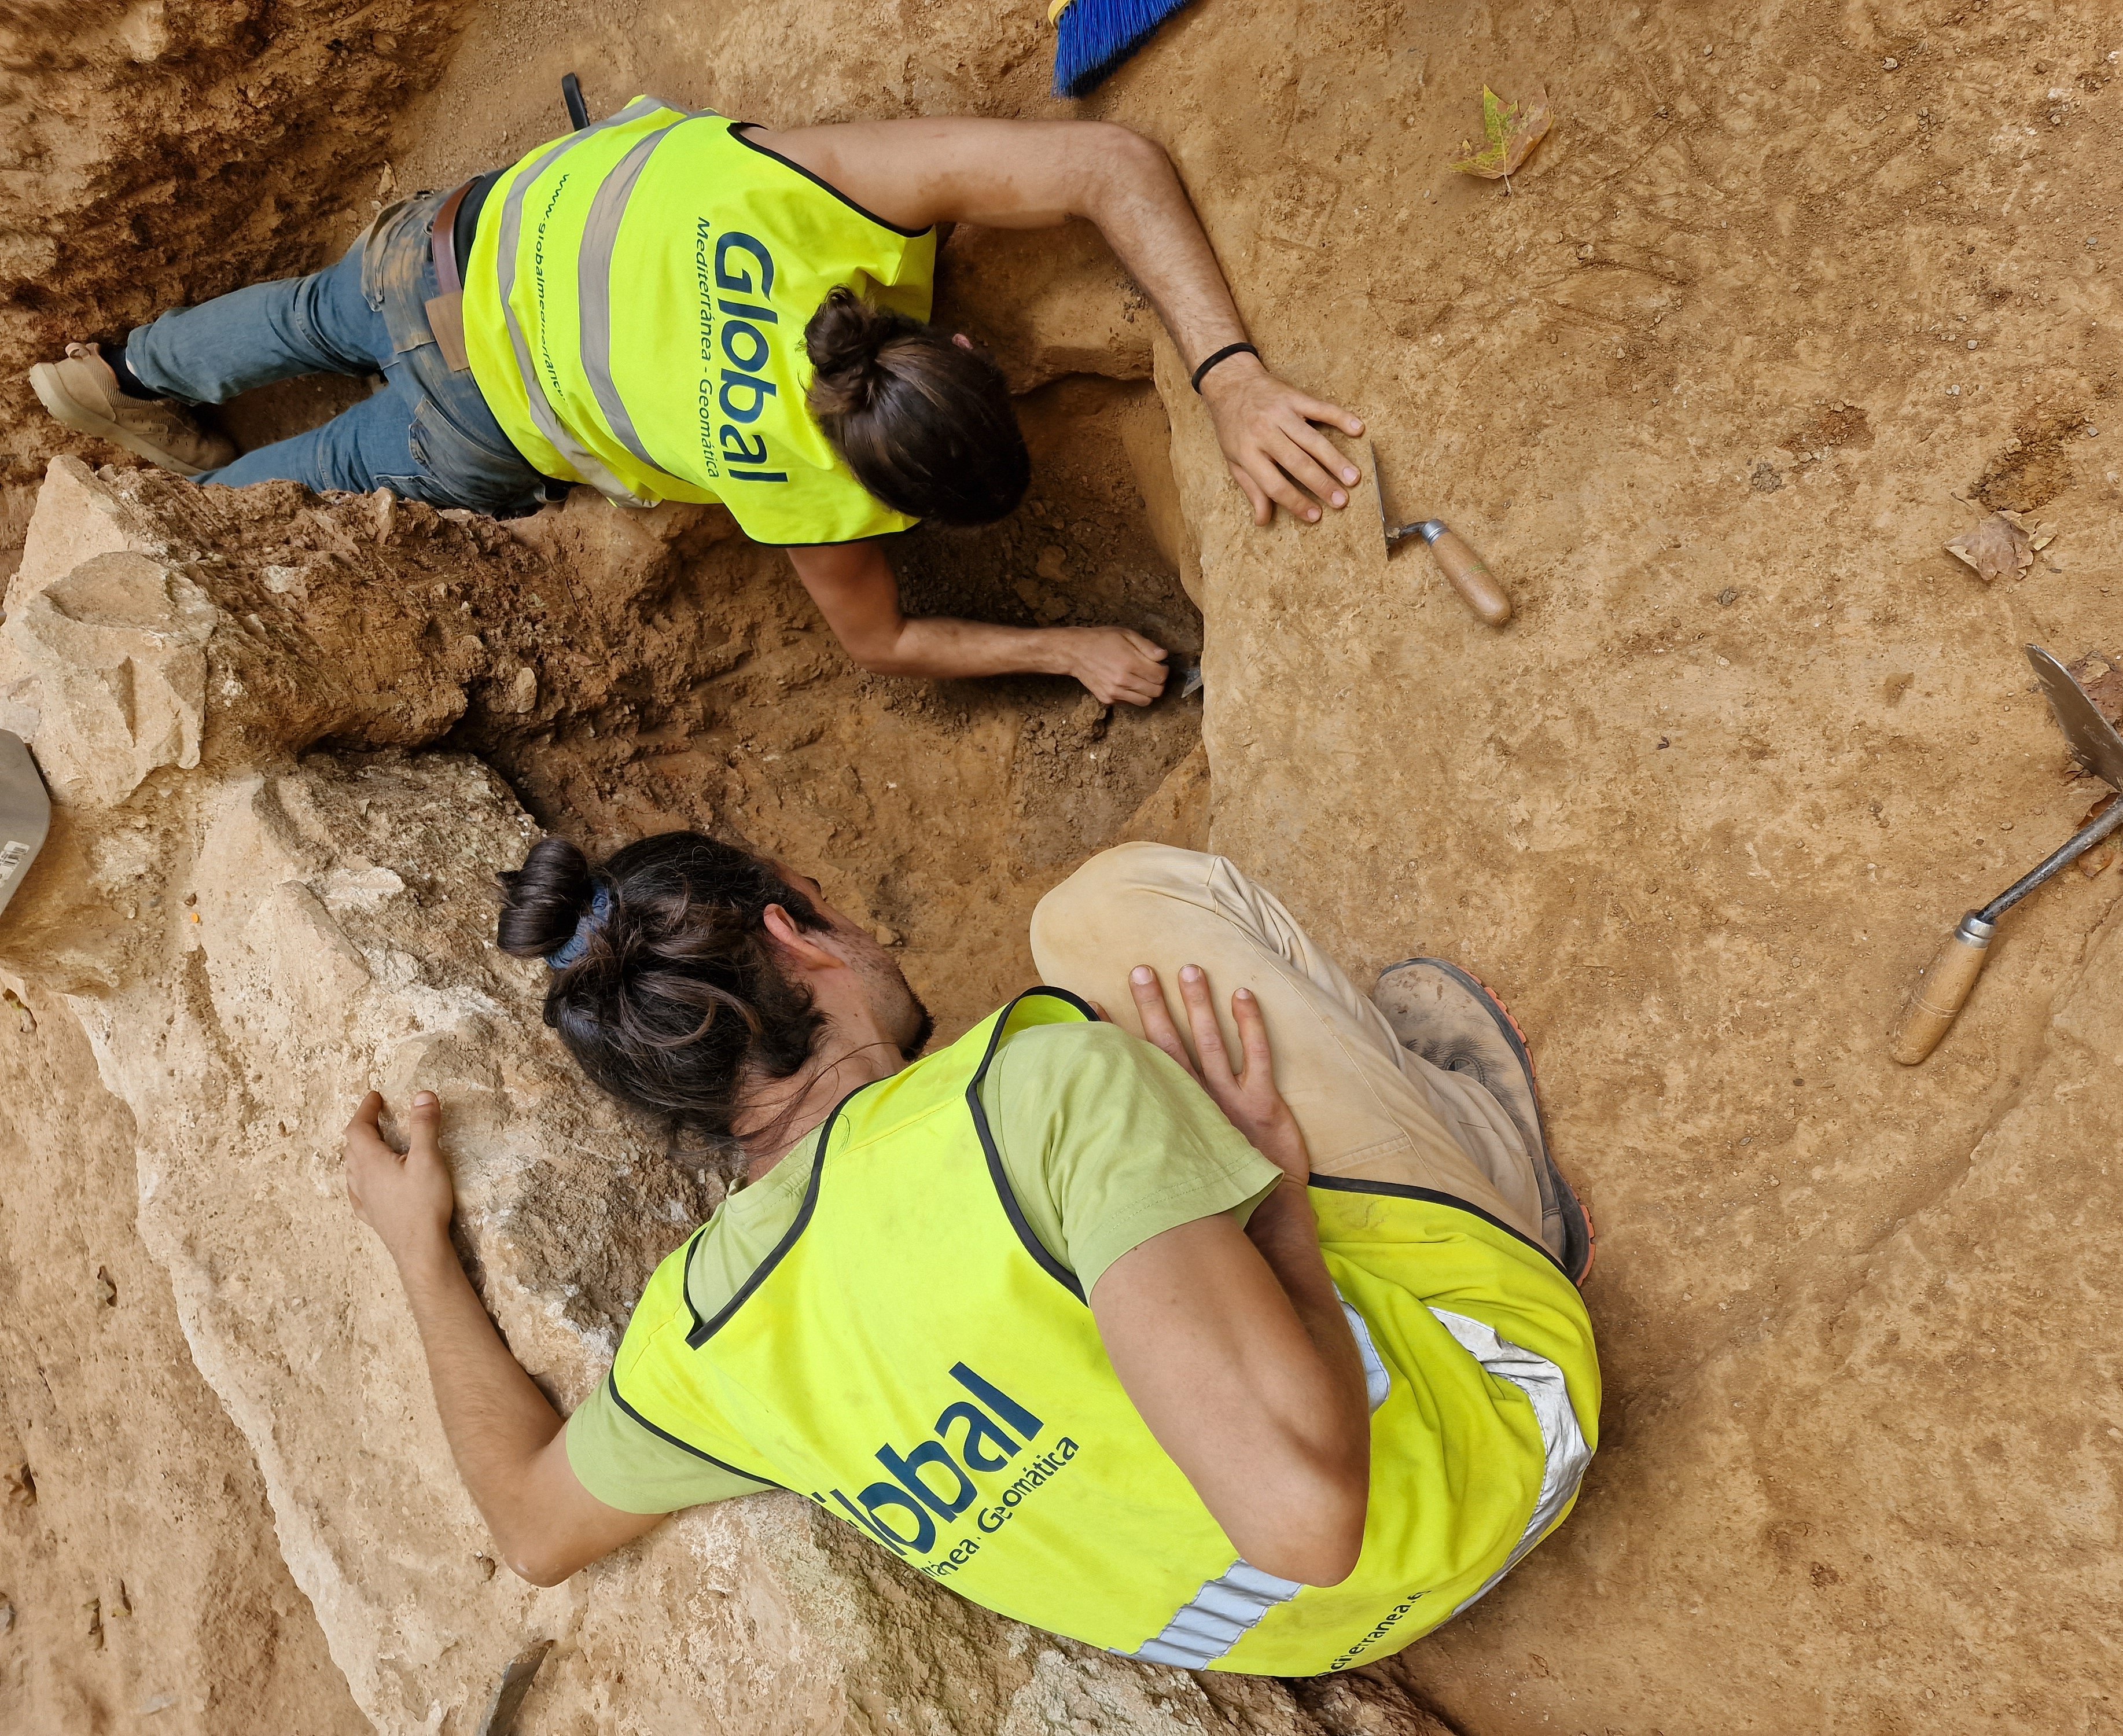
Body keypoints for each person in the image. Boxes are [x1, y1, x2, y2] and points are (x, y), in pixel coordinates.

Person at [342, 836, 1599, 1674]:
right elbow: (1306, 1523)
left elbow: (528, 1523)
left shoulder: (704, 1337)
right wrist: (1272, 1209)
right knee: (1110, 915)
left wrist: (419, 1251)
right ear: (799, 939)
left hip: (1318, 1641)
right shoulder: (1036, 1090)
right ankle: (1487, 1157)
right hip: (1498, 1448)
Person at [28, 105, 1367, 707]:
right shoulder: (804, 491)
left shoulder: (819, 197)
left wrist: (1224, 374)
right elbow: (880, 645)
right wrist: (1068, 645)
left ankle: (125, 376)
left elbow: (1098, 161)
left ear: (950, 337)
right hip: (476, 421)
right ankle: (157, 527)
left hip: (450, 242)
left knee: (314, 315)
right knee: (317, 475)